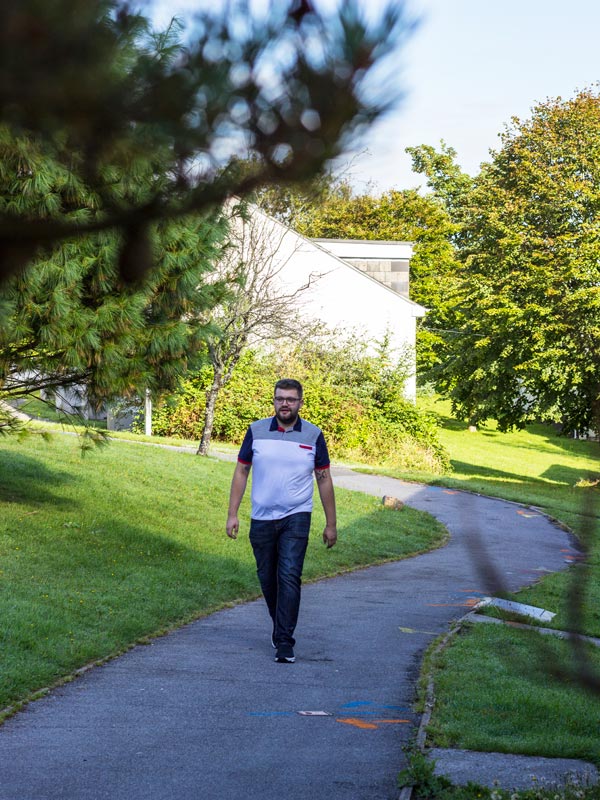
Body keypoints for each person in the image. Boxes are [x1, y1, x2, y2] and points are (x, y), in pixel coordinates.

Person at [226, 378, 337, 663]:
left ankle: (285, 641)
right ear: (274, 401)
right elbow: (241, 472)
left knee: (289, 576)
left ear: (300, 402)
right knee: (267, 578)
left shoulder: (313, 435)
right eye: (280, 398)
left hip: (296, 515)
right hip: (261, 517)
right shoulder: (256, 430)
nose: (284, 403)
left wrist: (331, 523)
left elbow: (323, 479)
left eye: (290, 399)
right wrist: (232, 514)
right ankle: (280, 627)